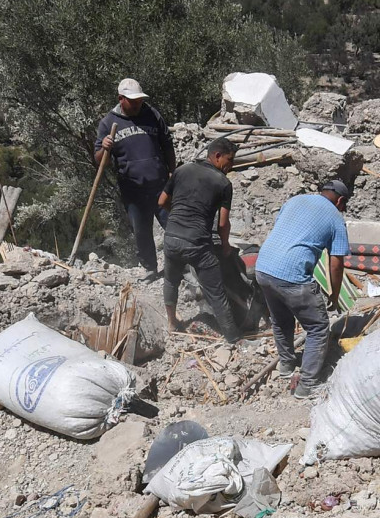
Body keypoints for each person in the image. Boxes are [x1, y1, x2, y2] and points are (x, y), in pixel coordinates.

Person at [255, 178, 351, 398]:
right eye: (345, 205)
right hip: (292, 276)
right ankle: (307, 385)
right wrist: (334, 297)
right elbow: (336, 263)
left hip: (264, 268)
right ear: (341, 200)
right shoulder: (335, 218)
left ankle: (286, 366)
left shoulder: (295, 200)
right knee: (317, 327)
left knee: (281, 320)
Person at [158, 137, 260, 341]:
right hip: (197, 244)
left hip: (171, 238)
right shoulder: (223, 183)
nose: (230, 167)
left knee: (171, 281)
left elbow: (161, 201)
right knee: (216, 292)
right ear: (217, 155)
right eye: (229, 161)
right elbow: (222, 224)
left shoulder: (181, 170)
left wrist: (178, 215)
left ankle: (171, 323)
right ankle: (233, 337)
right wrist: (225, 247)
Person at [93, 78, 175, 277]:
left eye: (139, 100)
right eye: (133, 101)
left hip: (160, 184)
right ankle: (150, 268)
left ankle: (183, 265)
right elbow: (99, 160)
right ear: (121, 99)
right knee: (141, 231)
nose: (138, 104)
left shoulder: (151, 114)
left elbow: (167, 144)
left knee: (173, 225)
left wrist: (173, 173)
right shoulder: (108, 123)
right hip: (133, 189)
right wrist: (104, 147)